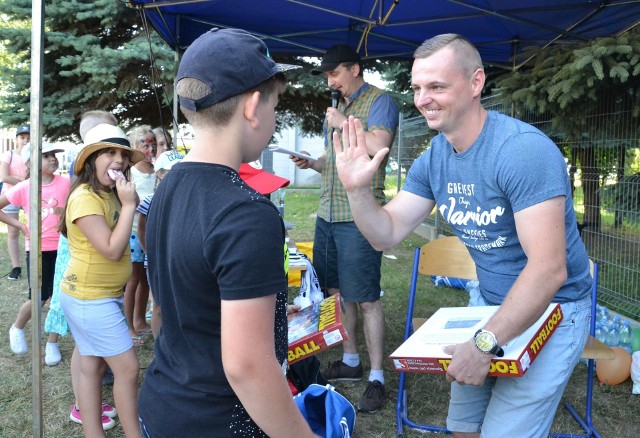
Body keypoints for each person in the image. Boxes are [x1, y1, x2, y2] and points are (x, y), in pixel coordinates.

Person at [332, 34, 592, 437]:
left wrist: (484, 344)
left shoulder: (521, 151)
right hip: (489, 303)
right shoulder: (434, 157)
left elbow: (549, 270)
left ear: (475, 83)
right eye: (417, 88)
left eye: (437, 86)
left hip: (554, 311)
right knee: (463, 429)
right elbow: (385, 234)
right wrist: (357, 190)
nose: (423, 99)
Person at [137, 28, 316, 438]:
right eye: (275, 104)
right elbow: (248, 367)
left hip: (165, 404)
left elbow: (193, 293)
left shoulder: (169, 186)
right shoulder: (246, 212)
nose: (273, 116)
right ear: (254, 107)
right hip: (216, 422)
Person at [290, 43, 399, 413]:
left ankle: (378, 377)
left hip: (359, 216)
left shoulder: (380, 101)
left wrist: (340, 123)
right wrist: (313, 163)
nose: (330, 80)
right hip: (327, 214)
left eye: (334, 73)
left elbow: (377, 148)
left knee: (367, 297)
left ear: (354, 68)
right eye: (327, 75)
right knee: (337, 292)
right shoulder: (338, 107)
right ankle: (351, 361)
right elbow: (336, 162)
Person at [59, 123, 145, 437]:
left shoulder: (106, 193)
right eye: (109, 152)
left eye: (123, 153)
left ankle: (93, 432)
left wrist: (124, 204)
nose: (119, 159)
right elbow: (111, 250)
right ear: (90, 159)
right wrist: (129, 206)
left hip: (98, 295)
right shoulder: (85, 198)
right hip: (88, 298)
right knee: (128, 368)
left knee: (92, 366)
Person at [1, 142, 69, 366]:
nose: (52, 159)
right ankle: (18, 327)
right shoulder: (24, 187)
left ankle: (52, 343)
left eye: (53, 155)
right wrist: (19, 226)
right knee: (39, 297)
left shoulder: (67, 183)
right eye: (46, 155)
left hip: (63, 248)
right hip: (37, 249)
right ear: (31, 163)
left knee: (59, 298)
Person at [135, 149, 184, 339]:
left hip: (179, 260)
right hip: (157, 261)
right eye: (172, 171)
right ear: (160, 174)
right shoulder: (150, 201)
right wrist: (149, 251)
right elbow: (141, 229)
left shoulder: (187, 201)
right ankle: (159, 347)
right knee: (159, 306)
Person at [124, 126, 156, 341]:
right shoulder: (131, 171)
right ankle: (128, 327)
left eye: (152, 143)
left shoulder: (157, 169)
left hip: (152, 231)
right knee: (133, 280)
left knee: (146, 279)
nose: (150, 147)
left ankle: (139, 319)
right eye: (144, 143)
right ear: (135, 147)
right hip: (135, 232)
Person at [0, 125, 30, 280]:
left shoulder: (33, 155)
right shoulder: (8, 154)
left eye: (27, 137)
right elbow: (4, 177)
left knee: (34, 228)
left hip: (29, 195)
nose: (25, 140)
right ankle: (16, 267)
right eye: (22, 137)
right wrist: (23, 182)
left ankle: (35, 260)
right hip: (10, 195)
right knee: (13, 231)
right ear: (16, 139)